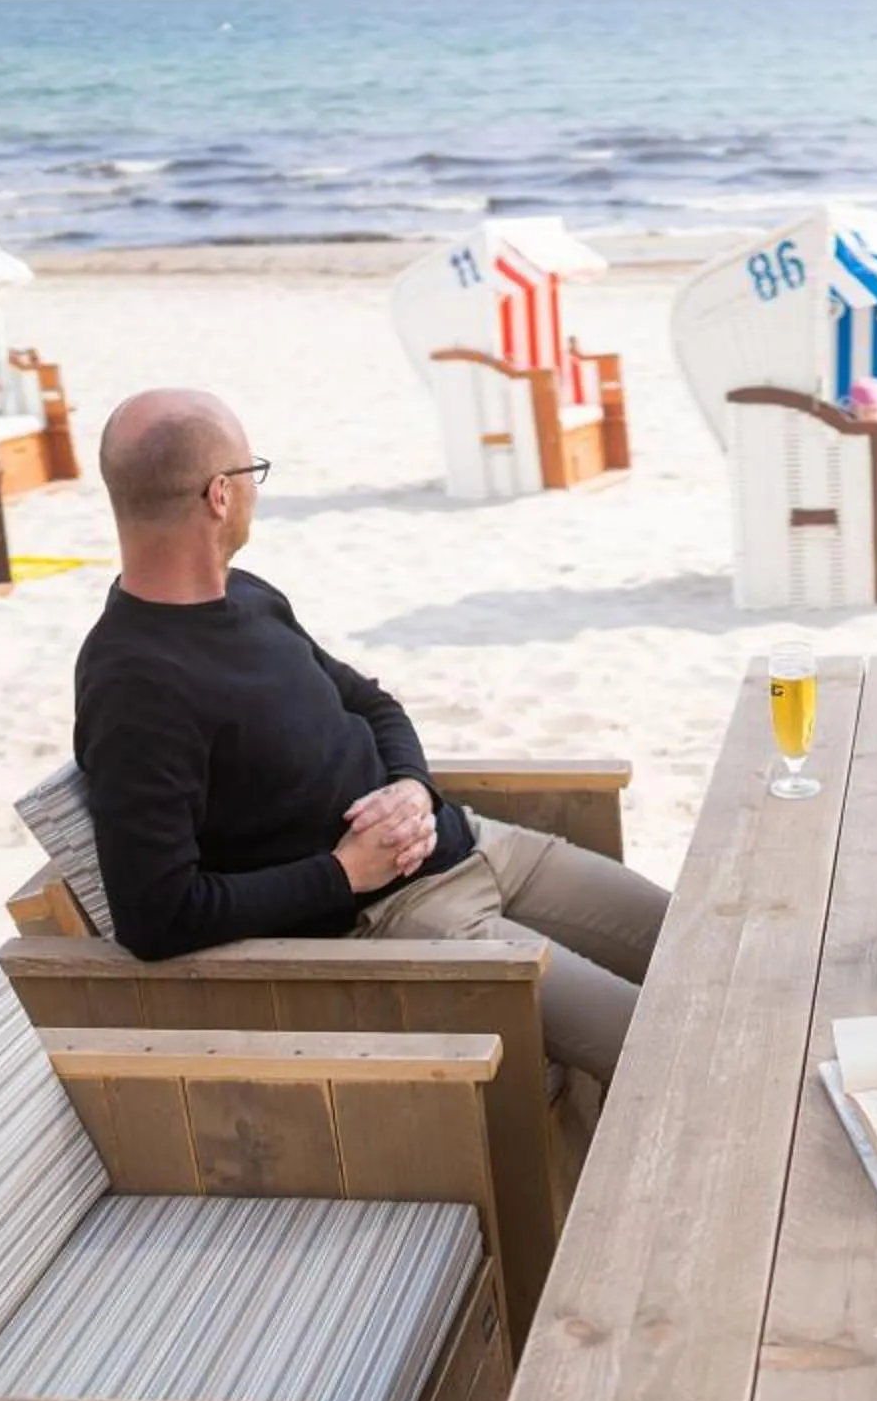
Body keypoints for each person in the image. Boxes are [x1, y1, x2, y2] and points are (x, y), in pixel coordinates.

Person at [71, 388, 669, 1086]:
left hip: (473, 840)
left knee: (707, 945)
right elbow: (157, 917)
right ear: (220, 496)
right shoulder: (135, 687)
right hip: (403, 922)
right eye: (252, 474)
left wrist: (413, 788)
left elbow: (372, 702)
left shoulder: (249, 595)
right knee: (662, 1046)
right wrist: (346, 874)